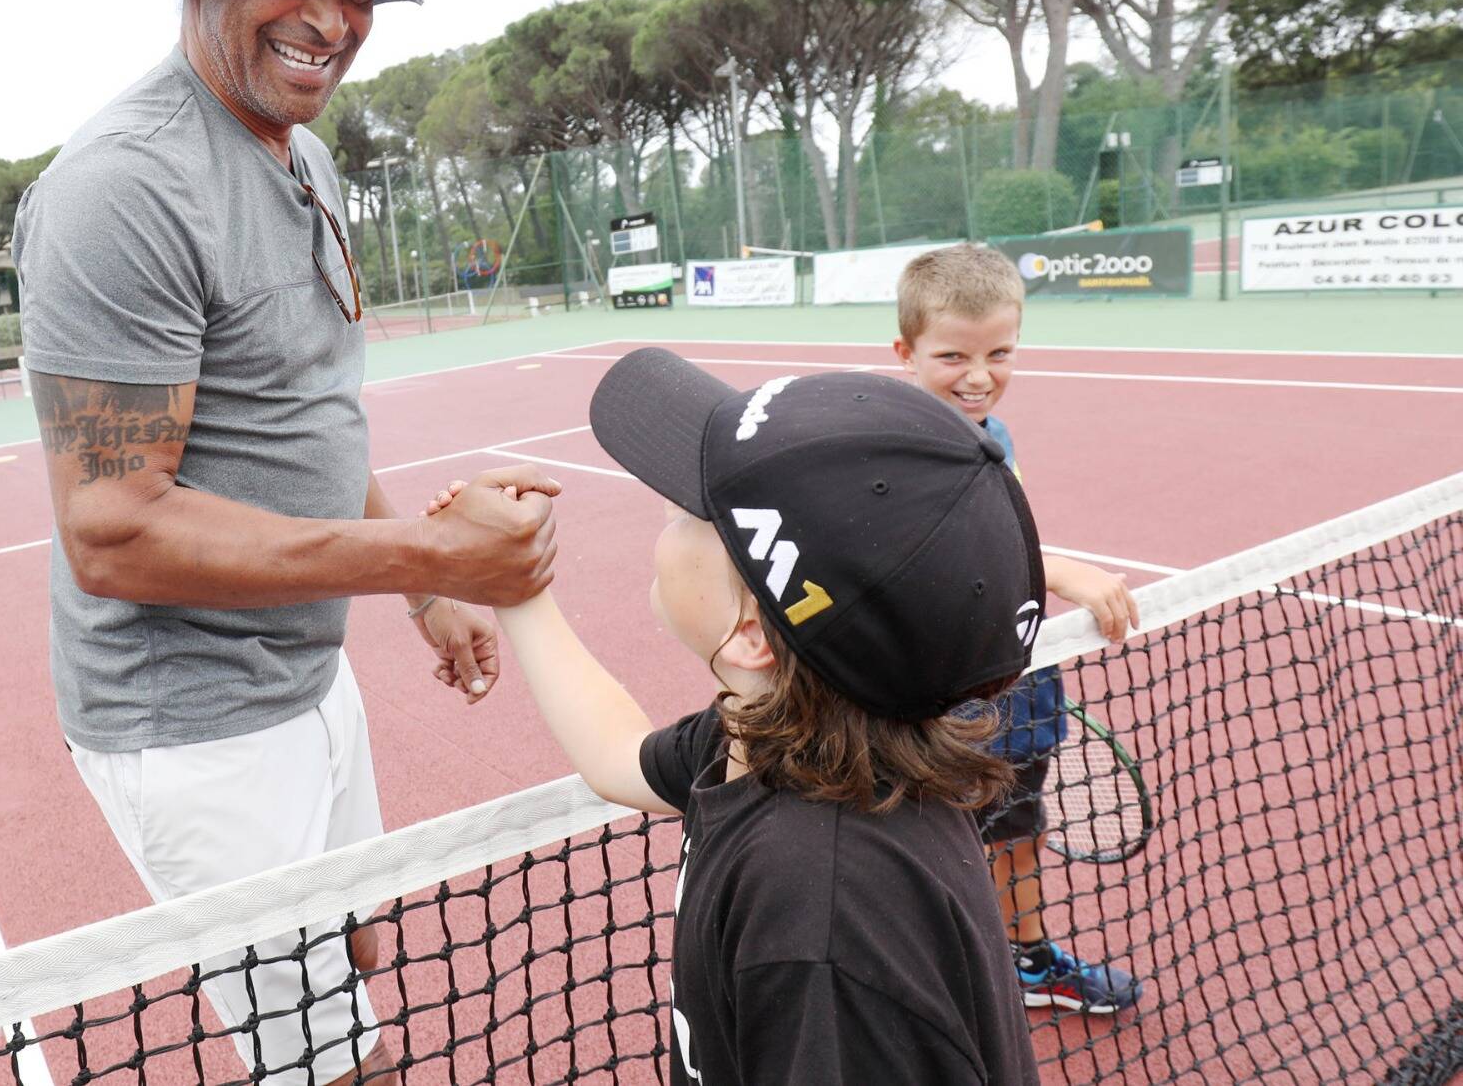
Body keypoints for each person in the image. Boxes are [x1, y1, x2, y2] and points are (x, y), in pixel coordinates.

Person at [10, 0, 560, 1086]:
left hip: (306, 677)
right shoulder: (123, 190)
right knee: (326, 1061)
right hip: (193, 723)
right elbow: (114, 531)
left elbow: (307, 402)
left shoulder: (299, 157)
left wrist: (423, 574)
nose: (332, 14)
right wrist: (426, 556)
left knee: (359, 948)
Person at [428, 356, 1045, 1084]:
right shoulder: (778, 738)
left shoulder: (821, 914)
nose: (665, 513)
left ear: (752, 631)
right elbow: (617, 753)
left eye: (691, 514)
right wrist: (514, 586)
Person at [892, 242, 1143, 1014]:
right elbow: (937, 555)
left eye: (1000, 351)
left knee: (1020, 826)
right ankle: (931, 981)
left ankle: (1027, 959)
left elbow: (1003, 534)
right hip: (941, 689)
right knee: (931, 845)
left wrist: (1036, 577)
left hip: (1018, 668)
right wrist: (1060, 570)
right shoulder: (892, 446)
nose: (979, 374)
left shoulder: (996, 433)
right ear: (905, 352)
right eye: (953, 355)